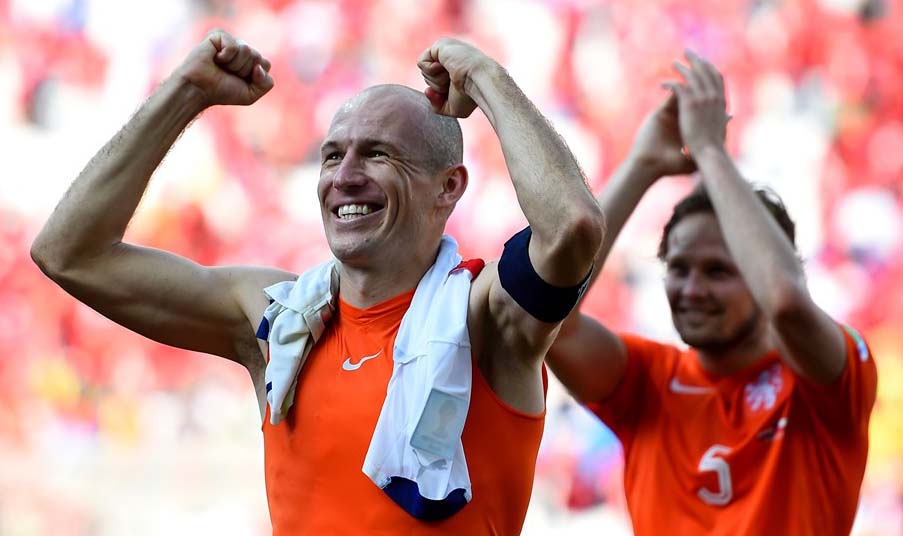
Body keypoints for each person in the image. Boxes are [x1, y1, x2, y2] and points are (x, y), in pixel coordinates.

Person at [30, 29, 604, 534]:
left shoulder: (485, 321)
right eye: (332, 157)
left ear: (449, 187)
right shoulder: (279, 320)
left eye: (378, 155)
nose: (345, 178)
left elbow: (571, 225)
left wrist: (483, 76)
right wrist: (186, 93)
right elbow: (69, 253)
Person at [546, 51, 877, 535]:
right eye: (678, 268)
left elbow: (785, 302)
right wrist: (642, 165)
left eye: (720, 270)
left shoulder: (826, 380)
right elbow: (549, 320)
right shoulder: (649, 381)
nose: (692, 288)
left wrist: (711, 153)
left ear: (763, 271)